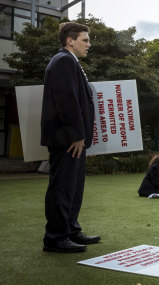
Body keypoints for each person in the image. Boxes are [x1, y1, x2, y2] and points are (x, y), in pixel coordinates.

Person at [41, 22, 100, 253]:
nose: (89, 44)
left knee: (74, 187)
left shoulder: (69, 62)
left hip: (73, 139)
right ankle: (56, 238)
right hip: (67, 139)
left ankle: (71, 230)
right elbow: (67, 101)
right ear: (70, 40)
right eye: (85, 40)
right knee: (62, 187)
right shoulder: (63, 61)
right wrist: (77, 135)